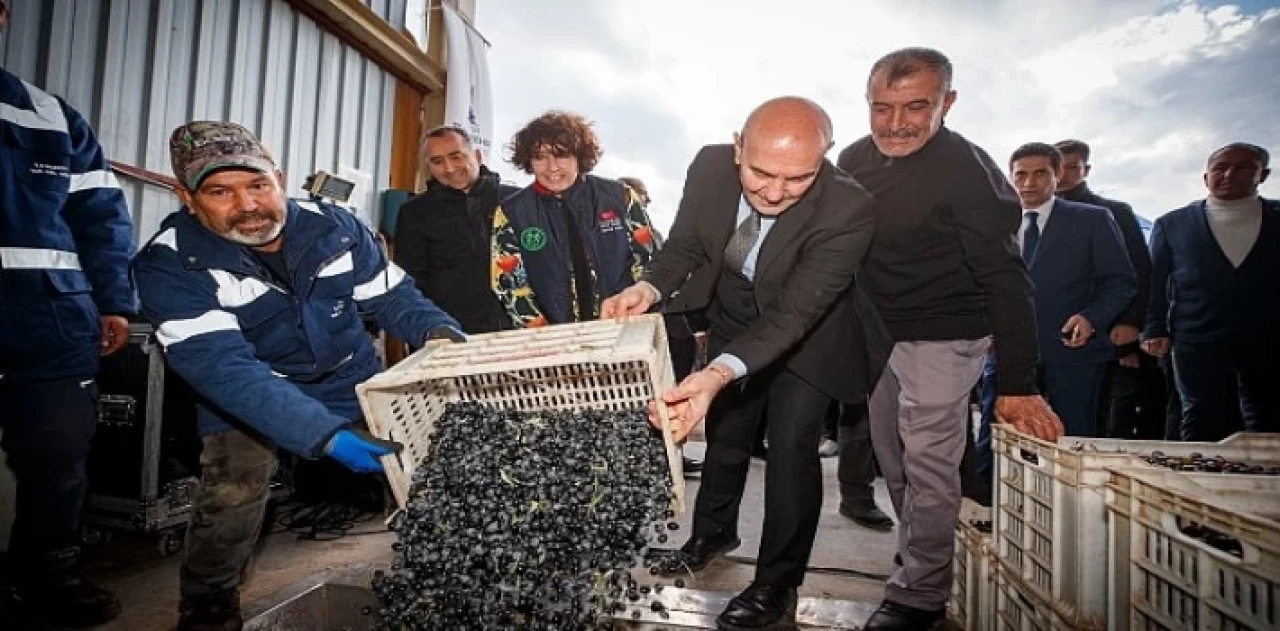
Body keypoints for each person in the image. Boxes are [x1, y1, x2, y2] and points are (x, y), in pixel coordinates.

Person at [133, 121, 463, 631]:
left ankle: (447, 574)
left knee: (421, 467)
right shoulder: (171, 264)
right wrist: (323, 434)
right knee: (233, 488)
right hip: (248, 392)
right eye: (221, 191)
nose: (247, 205)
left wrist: (440, 332)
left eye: (258, 185)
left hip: (347, 374)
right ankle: (209, 601)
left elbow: (393, 297)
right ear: (187, 197)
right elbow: (223, 369)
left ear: (279, 179)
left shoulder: (336, 227)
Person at [603, 96, 889, 630]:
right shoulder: (710, 165)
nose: (775, 193)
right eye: (760, 173)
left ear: (824, 158)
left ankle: (777, 584)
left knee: (790, 448)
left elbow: (793, 316)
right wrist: (650, 285)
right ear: (738, 147)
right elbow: (687, 243)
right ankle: (712, 534)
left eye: (798, 178)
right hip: (735, 316)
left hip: (809, 338)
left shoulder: (850, 208)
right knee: (726, 434)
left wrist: (715, 373)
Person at [836, 48, 1063, 629]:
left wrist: (1016, 382)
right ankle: (920, 554)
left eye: (916, 106)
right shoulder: (854, 158)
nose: (896, 123)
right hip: (879, 335)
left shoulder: (968, 171)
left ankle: (920, 595)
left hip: (947, 335)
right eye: (881, 107)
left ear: (948, 103)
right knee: (893, 459)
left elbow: (1007, 278)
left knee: (930, 464)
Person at [0, 1, 133, 624]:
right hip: (48, 319)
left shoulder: (50, 115)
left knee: (58, 460)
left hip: (50, 322)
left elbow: (101, 218)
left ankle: (51, 576)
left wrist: (114, 302)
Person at [978, 143, 1134, 444]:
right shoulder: (994, 224)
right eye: (1020, 175)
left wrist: (1092, 317)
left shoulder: (1093, 219)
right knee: (994, 437)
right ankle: (991, 492)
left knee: (1071, 438)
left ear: (1058, 174)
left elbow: (1120, 281)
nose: (1028, 183)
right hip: (1006, 351)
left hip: (1073, 350)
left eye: (1040, 174)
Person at [1143, 143, 1279, 439]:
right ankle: (1198, 480)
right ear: (1206, 177)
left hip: (1267, 334)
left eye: (1243, 167)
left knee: (1267, 411)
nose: (1229, 174)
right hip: (1195, 333)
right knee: (1199, 410)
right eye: (1220, 168)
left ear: (1263, 175)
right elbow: (1154, 281)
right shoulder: (1173, 223)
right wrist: (1154, 327)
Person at [491, 111, 658, 328]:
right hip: (553, 341)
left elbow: (648, 260)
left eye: (562, 155)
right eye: (540, 157)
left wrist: (632, 313)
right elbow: (509, 284)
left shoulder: (620, 197)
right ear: (529, 162)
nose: (552, 167)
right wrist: (542, 332)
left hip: (624, 325)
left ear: (579, 156)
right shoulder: (511, 212)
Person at [1054, 139, 1161, 439]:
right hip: (1046, 334)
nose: (1062, 175)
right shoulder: (1026, 214)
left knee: (1100, 418)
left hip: (1101, 331)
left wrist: (1130, 321)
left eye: (1071, 167)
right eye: (1057, 167)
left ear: (1086, 169)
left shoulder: (1111, 212)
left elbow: (1137, 272)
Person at [394, 125, 517, 334]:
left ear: (477, 156)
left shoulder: (516, 202)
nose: (449, 168)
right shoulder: (415, 213)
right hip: (453, 334)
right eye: (437, 161)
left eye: (456, 156)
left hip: (519, 331)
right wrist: (428, 330)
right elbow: (410, 283)